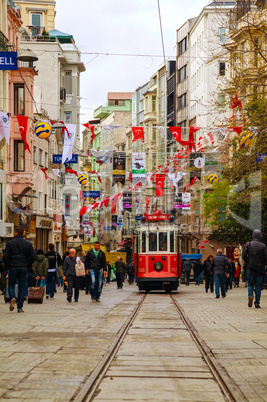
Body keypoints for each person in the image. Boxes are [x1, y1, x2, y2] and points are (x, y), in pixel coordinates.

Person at [3, 226, 36, 312]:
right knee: (22, 286)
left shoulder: (10, 243)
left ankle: (12, 297)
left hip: (13, 267)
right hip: (23, 267)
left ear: (16, 232)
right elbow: (33, 256)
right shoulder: (28, 244)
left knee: (11, 284)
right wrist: (27, 264)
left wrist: (8, 265)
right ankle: (20, 306)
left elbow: (5, 257)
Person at [242, 229, 267, 308]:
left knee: (250, 284)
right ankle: (257, 302)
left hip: (251, 266)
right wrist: (264, 264)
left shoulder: (248, 244)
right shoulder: (263, 245)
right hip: (260, 267)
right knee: (259, 285)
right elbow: (266, 257)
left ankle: (250, 296)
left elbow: (243, 255)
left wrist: (248, 261)